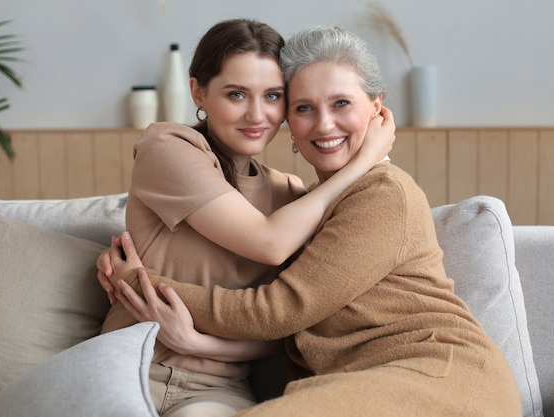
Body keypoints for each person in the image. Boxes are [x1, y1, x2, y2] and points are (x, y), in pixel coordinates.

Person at [101, 25, 522, 416]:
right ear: (292, 123)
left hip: (437, 373)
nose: (324, 124)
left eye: (341, 103)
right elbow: (289, 322)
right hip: (363, 379)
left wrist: (138, 281)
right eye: (304, 107)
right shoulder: (303, 206)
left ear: (377, 109)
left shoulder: (381, 193)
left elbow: (276, 311)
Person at [98, 19, 395, 417]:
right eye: (236, 94)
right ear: (198, 91)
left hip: (215, 390)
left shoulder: (291, 196)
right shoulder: (168, 147)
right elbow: (267, 243)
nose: (257, 115)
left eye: (272, 96)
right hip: (126, 369)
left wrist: (194, 343)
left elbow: (290, 326)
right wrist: (362, 162)